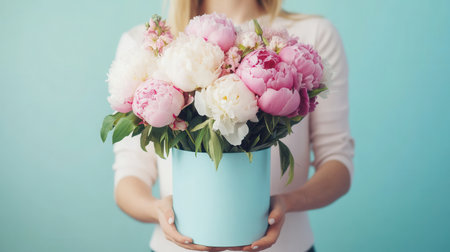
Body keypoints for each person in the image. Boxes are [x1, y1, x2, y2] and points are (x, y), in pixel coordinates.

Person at [112, 0, 355, 251]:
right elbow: (130, 174)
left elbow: (337, 160)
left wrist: (286, 202)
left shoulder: (311, 36)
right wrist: (157, 211)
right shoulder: (146, 44)